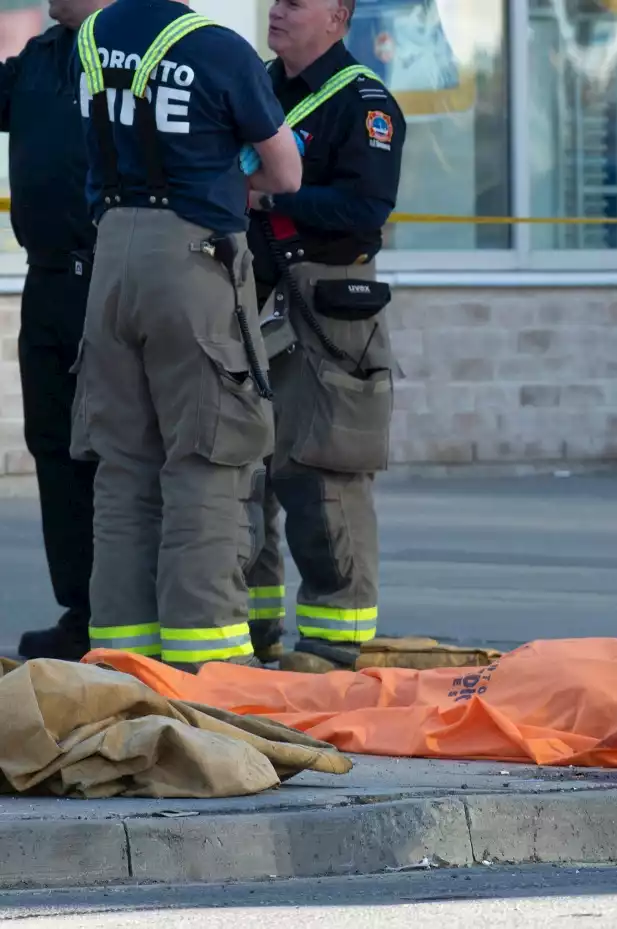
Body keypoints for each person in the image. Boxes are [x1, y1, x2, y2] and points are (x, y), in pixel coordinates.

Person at [70, 0, 303, 670]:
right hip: (192, 260)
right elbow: (285, 172)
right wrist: (241, 188)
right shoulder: (216, 47)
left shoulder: (94, 38)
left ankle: (120, 662)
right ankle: (208, 664)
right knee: (208, 456)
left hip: (111, 260)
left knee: (123, 468)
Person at [243, 0, 404, 669]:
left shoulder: (363, 103)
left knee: (321, 474)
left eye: (294, 3)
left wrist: (271, 198)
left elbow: (365, 210)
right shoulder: (252, 86)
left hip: (325, 308)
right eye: (274, 1)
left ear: (338, 17)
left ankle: (334, 641)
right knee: (243, 473)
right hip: (247, 300)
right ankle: (252, 631)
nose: (277, 12)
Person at [0, 0, 112, 662]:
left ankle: (121, 615)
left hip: (111, 280)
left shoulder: (134, 48)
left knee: (112, 452)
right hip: (47, 282)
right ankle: (83, 611)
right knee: (54, 445)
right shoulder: (41, 59)